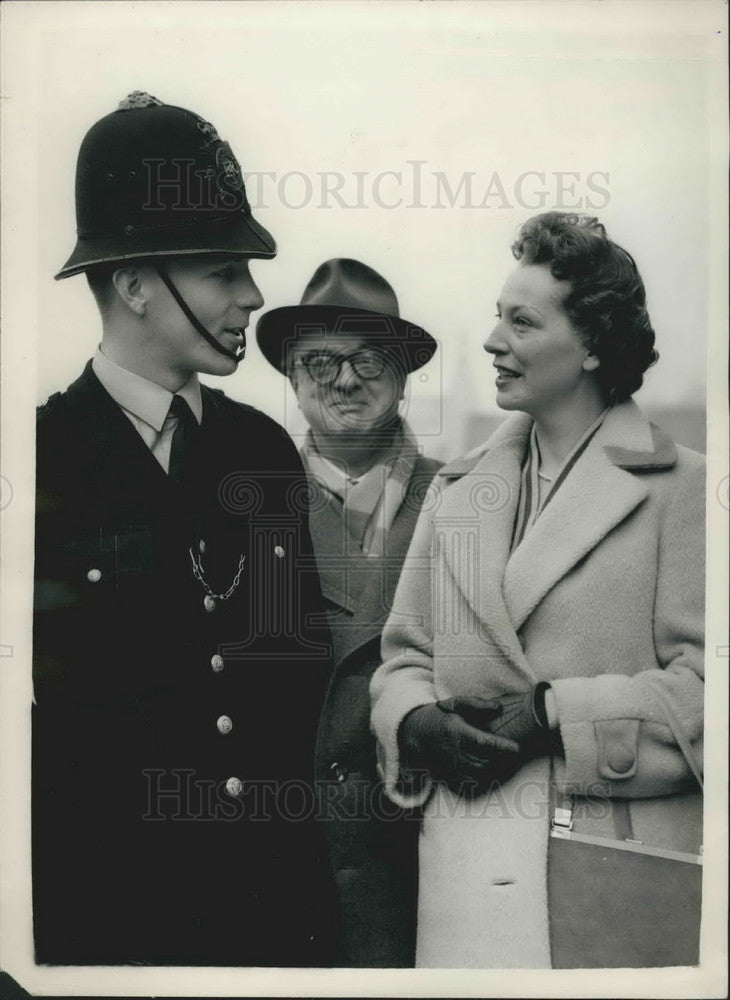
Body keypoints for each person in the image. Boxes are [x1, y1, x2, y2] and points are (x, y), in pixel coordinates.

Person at [32, 92, 334, 967]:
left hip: (268, 917)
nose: (252, 297)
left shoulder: (262, 451)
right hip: (111, 925)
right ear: (133, 284)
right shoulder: (38, 459)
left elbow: (295, 682)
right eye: (222, 272)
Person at [370, 212, 704, 968]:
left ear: (593, 345)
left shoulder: (686, 488)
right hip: (462, 892)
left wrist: (554, 715)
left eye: (522, 322)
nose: (493, 341)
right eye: (498, 317)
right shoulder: (456, 491)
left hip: (613, 893)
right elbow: (403, 660)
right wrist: (416, 724)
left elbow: (707, 692)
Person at [256, 258, 442, 966]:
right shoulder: (246, 506)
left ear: (404, 375)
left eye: (369, 359)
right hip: (290, 865)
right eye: (320, 361)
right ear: (291, 376)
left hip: (430, 860)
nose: (344, 380)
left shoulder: (466, 500)